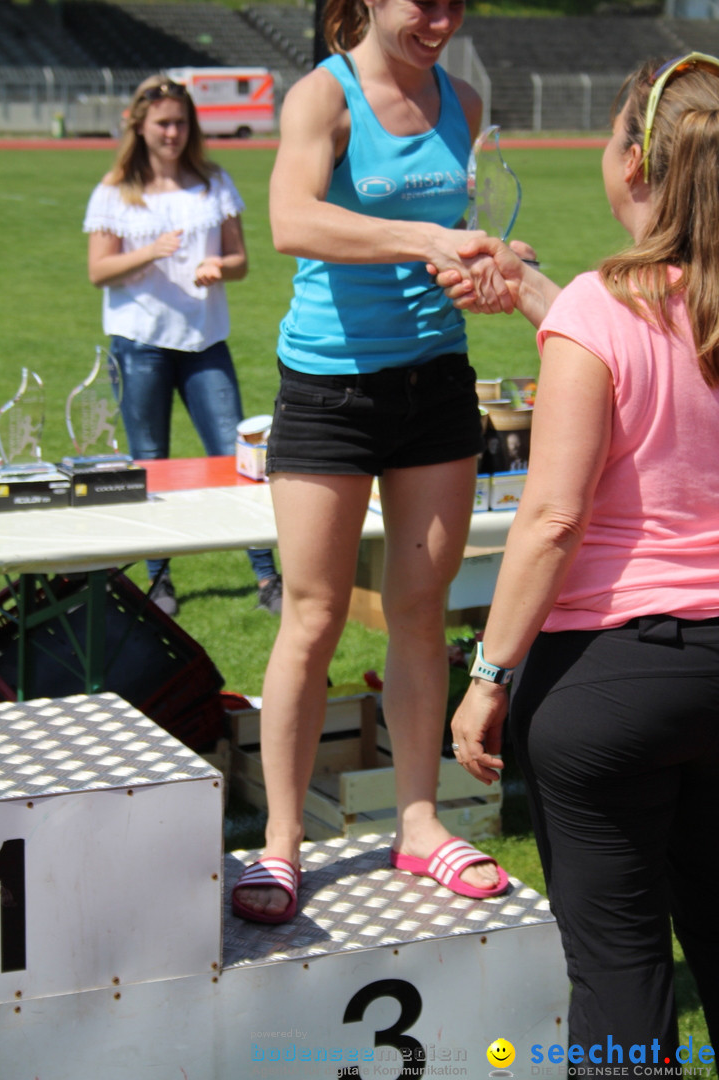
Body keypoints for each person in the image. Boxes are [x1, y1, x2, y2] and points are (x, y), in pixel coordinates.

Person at [447, 53, 719, 1069]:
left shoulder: (601, 311)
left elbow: (552, 516)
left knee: (619, 977)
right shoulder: (599, 311)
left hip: (608, 684)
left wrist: (487, 679)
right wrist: (535, 294)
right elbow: (668, 344)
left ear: (636, 162)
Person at [231, 0, 516, 924]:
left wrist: (477, 268)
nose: (440, 18)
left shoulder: (463, 102)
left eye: (453, 2)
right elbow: (292, 222)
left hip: (435, 382)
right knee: (310, 620)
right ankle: (279, 843)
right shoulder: (325, 96)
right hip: (329, 389)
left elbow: (452, 235)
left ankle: (420, 822)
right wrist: (427, 238)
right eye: (421, 1)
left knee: (420, 614)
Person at [83, 75, 282, 617]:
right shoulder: (116, 191)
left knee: (239, 458)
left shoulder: (213, 183)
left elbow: (240, 260)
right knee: (149, 463)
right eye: (162, 123)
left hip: (204, 342)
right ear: (140, 126)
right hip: (139, 344)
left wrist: (221, 265)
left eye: (181, 122)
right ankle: (158, 582)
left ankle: (267, 578)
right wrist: (149, 251)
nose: (172, 132)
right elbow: (99, 270)